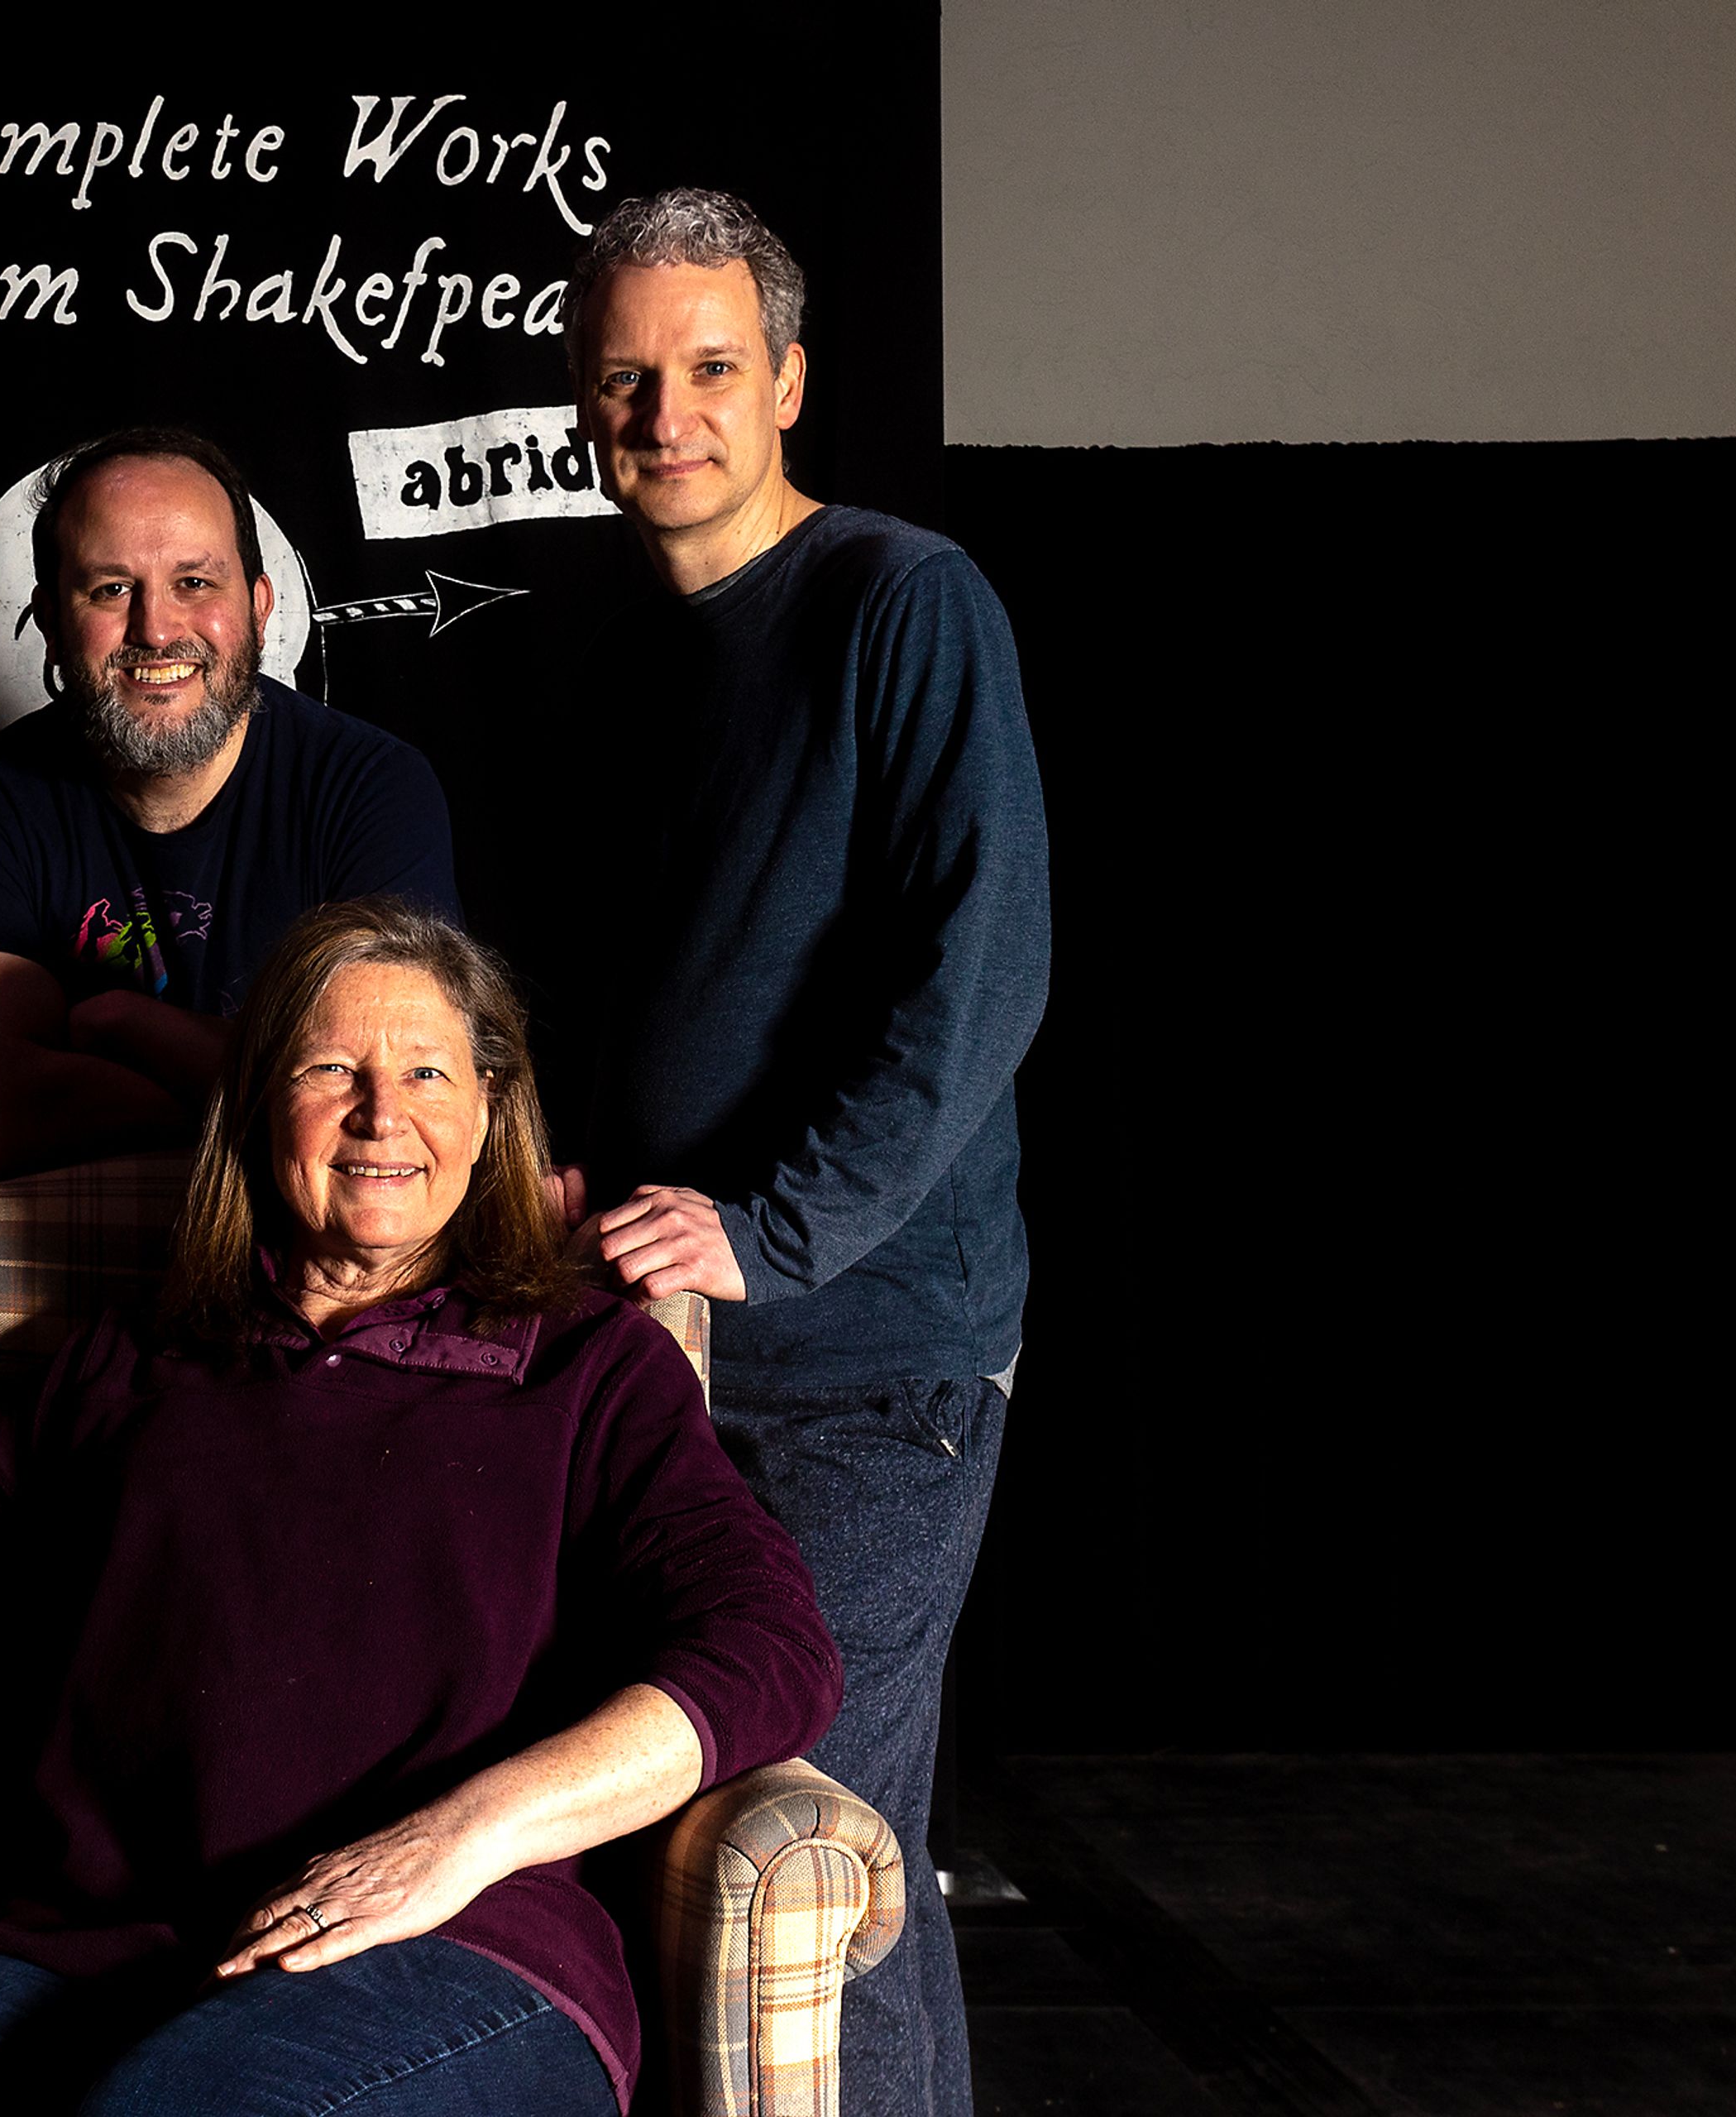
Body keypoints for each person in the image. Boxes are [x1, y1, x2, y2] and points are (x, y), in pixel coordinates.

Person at [0, 898, 839, 2115]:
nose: (383, 1115)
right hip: (80, 1939)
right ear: (260, 1105)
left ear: (492, 1109)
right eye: (332, 1071)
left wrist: (458, 1840)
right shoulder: (120, 1362)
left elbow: (769, 1650)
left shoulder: (586, 1365)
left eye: (427, 1071)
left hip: (449, 1947)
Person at [551, 188, 1053, 2117]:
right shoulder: (637, 659)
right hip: (668, 1355)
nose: (660, 408)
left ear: (785, 387)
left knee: (810, 1815)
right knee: (795, 1861)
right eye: (622, 374)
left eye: (704, 367)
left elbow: (980, 963)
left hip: (870, 1357)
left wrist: (776, 1226)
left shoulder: (898, 600)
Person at [0, 428, 461, 1179]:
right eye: (111, 589)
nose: (157, 628)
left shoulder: (371, 788)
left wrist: (127, 1025)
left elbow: (398, 1108)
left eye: (194, 583)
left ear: (261, 606)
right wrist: (280, 1092)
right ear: (49, 620)